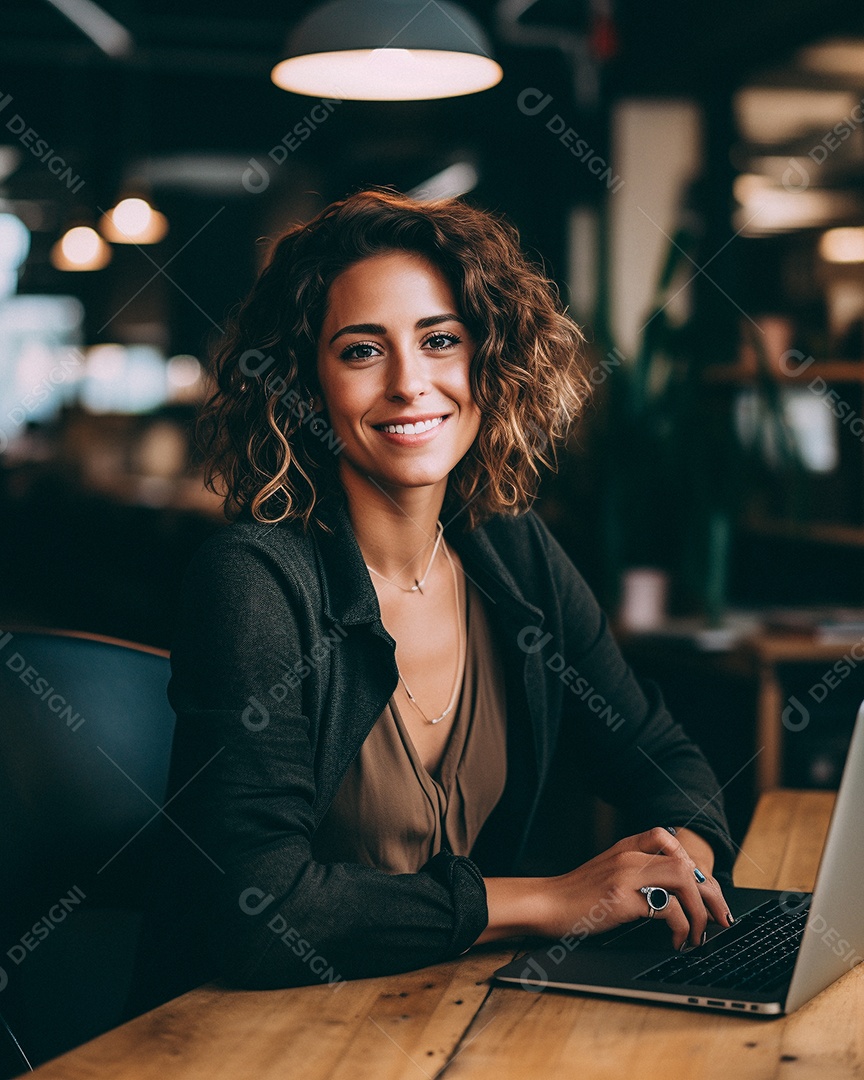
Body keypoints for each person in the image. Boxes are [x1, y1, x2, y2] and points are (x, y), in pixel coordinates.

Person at [129, 188, 735, 1011]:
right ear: (305, 386)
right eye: (361, 351)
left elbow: (663, 758)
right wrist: (551, 900)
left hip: (436, 1016)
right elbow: (258, 909)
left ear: (489, 361)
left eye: (441, 340)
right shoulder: (255, 581)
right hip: (248, 1038)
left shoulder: (512, 553)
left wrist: (675, 875)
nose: (411, 384)